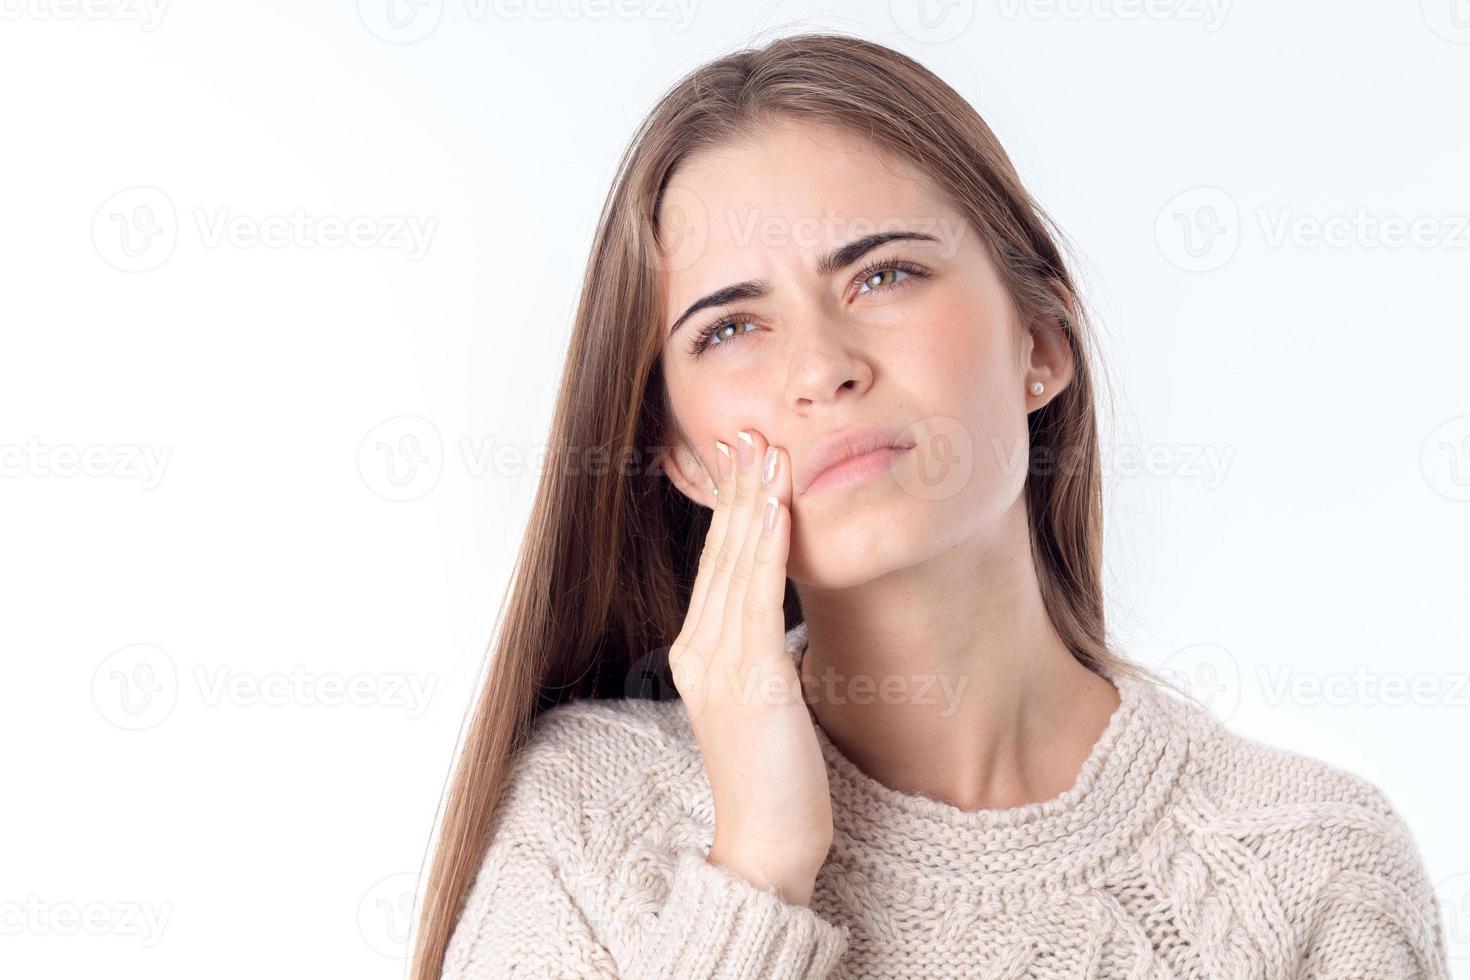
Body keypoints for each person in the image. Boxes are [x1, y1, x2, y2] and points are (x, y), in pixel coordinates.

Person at [412, 32, 1450, 979]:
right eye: (730, 329)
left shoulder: (1318, 869)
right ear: (677, 451)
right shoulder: (584, 824)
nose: (822, 366)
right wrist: (757, 872)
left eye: (885, 274)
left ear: (1041, 343)